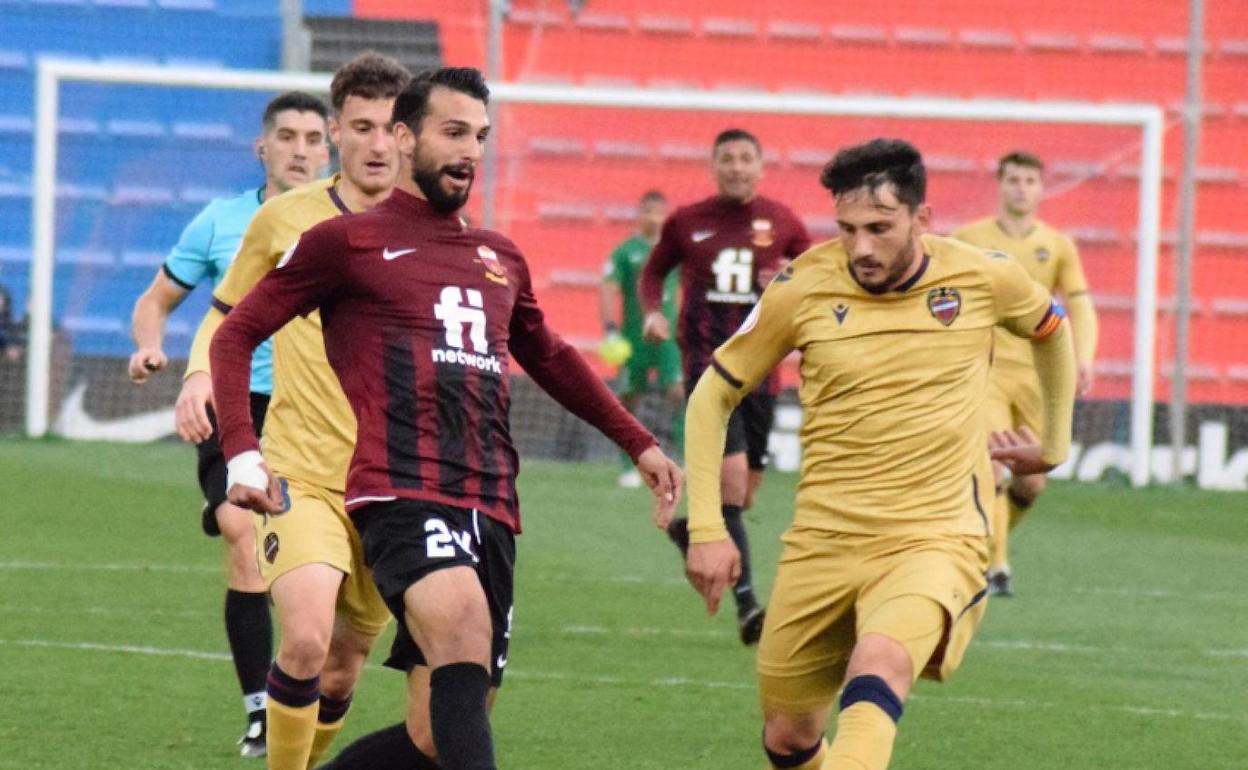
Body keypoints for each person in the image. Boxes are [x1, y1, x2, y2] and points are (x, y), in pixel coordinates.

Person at [208, 66, 682, 770]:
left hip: (490, 501)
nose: (469, 152)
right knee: (455, 636)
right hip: (398, 488)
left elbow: (549, 356)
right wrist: (243, 451)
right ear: (405, 137)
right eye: (454, 132)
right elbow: (235, 333)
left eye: (480, 138)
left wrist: (638, 442)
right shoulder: (347, 242)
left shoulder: (498, 256)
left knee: (438, 729)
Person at [682, 138, 1076, 770]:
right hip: (823, 541)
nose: (860, 246)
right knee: (787, 734)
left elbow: (1053, 329)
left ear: (921, 218)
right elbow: (711, 397)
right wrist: (706, 528)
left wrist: (1053, 446)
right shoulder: (804, 283)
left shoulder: (980, 276)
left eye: (880, 228)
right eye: (847, 228)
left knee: (881, 663)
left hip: (934, 537)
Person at [176, 52, 411, 770]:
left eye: (391, 127)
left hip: (390, 479)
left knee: (342, 669)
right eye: (361, 126)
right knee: (304, 642)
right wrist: (195, 376)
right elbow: (226, 315)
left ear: (410, 137)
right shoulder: (284, 220)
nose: (377, 143)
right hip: (300, 469)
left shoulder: (436, 227)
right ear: (336, 131)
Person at [127, 90, 330, 758]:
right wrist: (150, 346)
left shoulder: (342, 220)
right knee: (242, 525)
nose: (301, 149)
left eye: (313, 138)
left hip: (323, 410)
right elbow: (157, 299)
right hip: (237, 400)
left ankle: (309, 689)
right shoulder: (220, 221)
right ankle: (259, 710)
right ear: (262, 147)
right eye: (289, 137)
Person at [639, 128, 810, 645]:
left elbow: (817, 277)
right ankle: (749, 605)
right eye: (727, 159)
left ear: (761, 166)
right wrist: (652, 313)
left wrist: (787, 282)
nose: (736, 167)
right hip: (707, 368)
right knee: (732, 486)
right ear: (713, 165)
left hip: (763, 373)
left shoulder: (783, 223)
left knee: (744, 494)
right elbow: (653, 273)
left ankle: (687, 531)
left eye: (745, 159)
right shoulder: (687, 221)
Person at [953, 151, 1098, 597]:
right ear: (1000, 184)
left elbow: (1079, 303)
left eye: (1029, 181)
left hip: (1037, 374)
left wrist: (1084, 356)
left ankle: (985, 548)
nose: (1021, 188)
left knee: (1031, 483)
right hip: (988, 369)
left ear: (1040, 188)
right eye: (1013, 179)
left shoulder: (1057, 246)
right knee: (993, 467)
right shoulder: (968, 238)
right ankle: (997, 567)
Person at [600, 189, 683, 486]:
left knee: (680, 394)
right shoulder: (626, 252)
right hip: (633, 340)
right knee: (627, 401)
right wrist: (609, 330)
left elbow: (689, 287)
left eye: (660, 212)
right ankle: (629, 466)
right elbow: (608, 289)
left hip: (668, 340)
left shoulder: (675, 252)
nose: (655, 218)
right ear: (640, 214)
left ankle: (686, 461)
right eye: (649, 211)